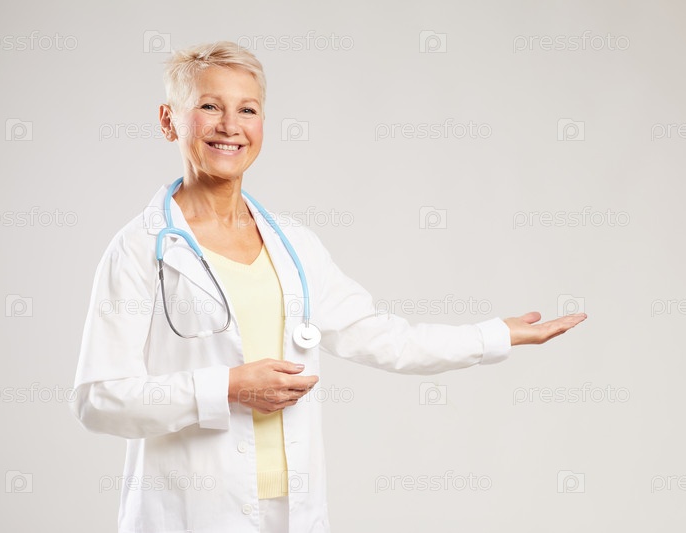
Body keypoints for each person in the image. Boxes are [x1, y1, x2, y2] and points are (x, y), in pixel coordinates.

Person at [70, 41, 587, 533]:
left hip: (290, 509)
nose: (230, 126)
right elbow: (98, 400)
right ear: (169, 120)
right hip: (192, 510)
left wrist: (495, 334)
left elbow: (384, 338)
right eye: (210, 106)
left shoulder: (293, 244)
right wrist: (227, 387)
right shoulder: (140, 248)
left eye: (248, 110)